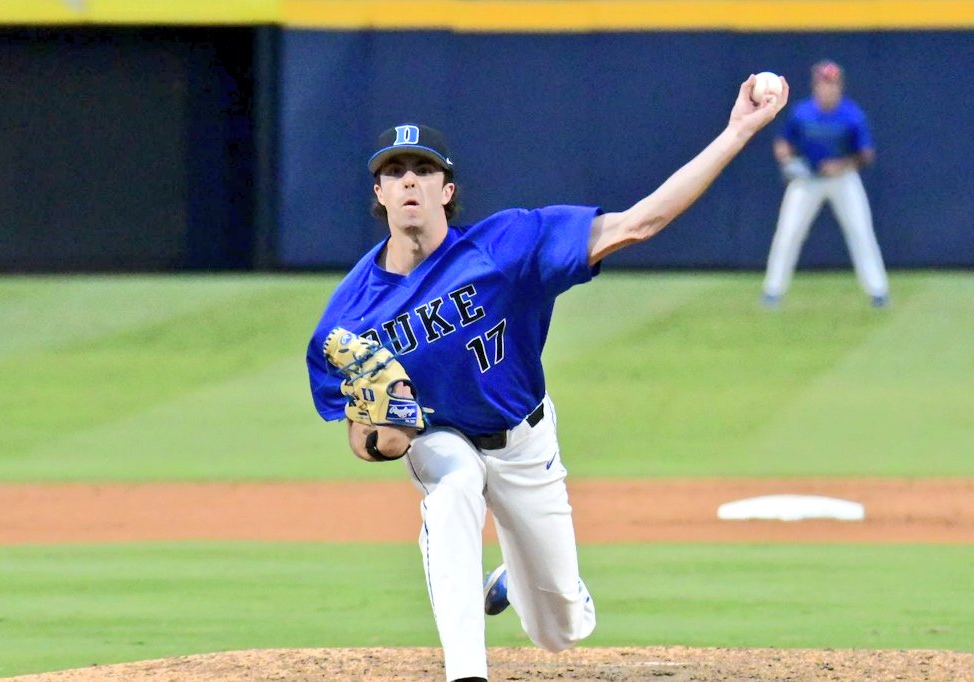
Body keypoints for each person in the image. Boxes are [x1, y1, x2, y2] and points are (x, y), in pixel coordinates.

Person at [306, 75, 788, 682]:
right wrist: (387, 433)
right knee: (453, 490)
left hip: (524, 440)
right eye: (395, 170)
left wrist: (738, 130)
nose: (409, 180)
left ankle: (522, 576)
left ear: (446, 189)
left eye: (423, 170)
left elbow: (637, 224)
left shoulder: (506, 246)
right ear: (378, 192)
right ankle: (466, 673)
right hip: (441, 440)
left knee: (558, 631)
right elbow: (362, 437)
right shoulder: (347, 317)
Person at [762, 59, 889, 308]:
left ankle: (878, 291)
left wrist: (841, 164)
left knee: (861, 231)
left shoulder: (852, 115)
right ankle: (772, 292)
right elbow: (783, 143)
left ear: (839, 86)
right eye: (823, 83)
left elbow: (866, 154)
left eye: (832, 84)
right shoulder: (802, 112)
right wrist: (788, 161)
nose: (827, 88)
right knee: (788, 233)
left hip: (842, 179)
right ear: (815, 85)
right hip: (807, 179)